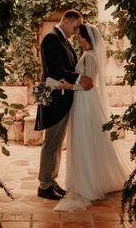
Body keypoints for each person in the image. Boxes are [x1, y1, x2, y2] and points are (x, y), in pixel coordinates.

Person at [53, 23, 133, 211]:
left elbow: (87, 84)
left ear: (86, 38)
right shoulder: (88, 54)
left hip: (86, 102)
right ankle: (93, 177)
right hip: (84, 101)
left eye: (79, 35)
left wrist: (66, 86)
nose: (76, 37)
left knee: (86, 140)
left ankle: (89, 182)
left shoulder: (89, 56)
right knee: (88, 140)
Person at [35, 10, 94, 200]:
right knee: (51, 142)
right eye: (75, 27)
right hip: (55, 98)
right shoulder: (52, 38)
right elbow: (55, 70)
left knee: (57, 142)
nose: (75, 32)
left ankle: (51, 180)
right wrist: (79, 78)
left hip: (62, 97)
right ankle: (44, 185)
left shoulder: (62, 39)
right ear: (67, 21)